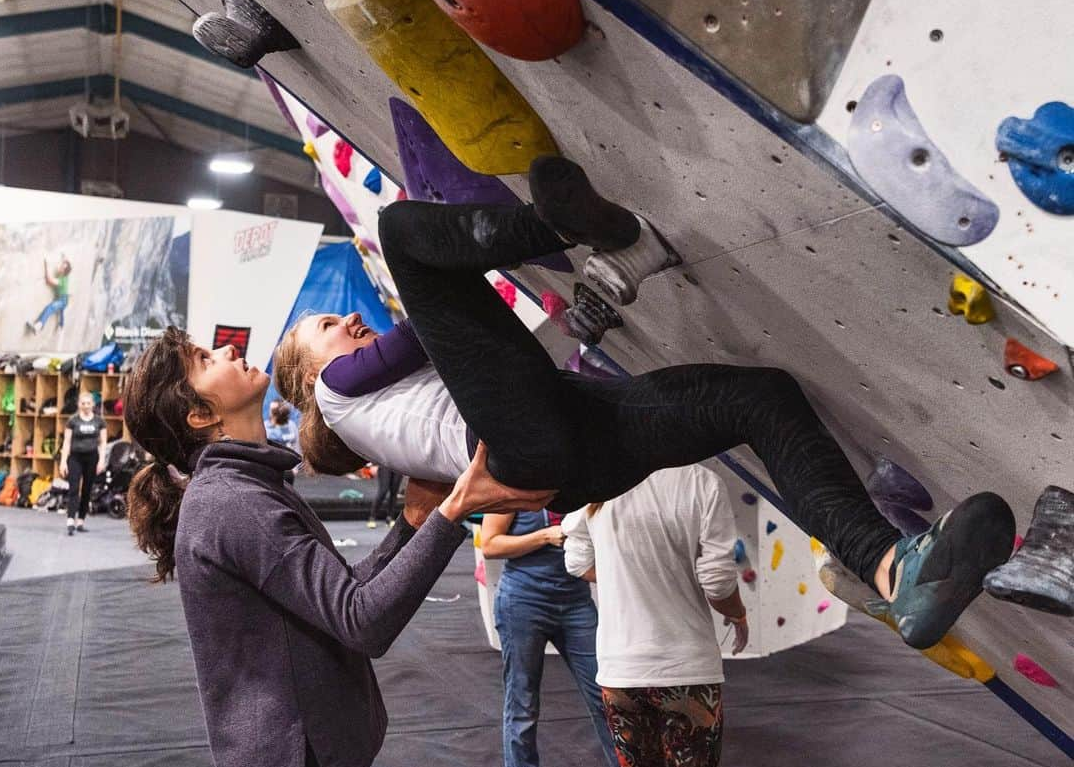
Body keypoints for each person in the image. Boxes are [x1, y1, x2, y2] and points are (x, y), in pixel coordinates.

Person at [272, 155, 1018, 652]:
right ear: (309, 378)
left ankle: (889, 568)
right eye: (327, 329)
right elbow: (421, 328)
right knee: (401, 231)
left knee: (759, 398)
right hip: (529, 440)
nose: (347, 322)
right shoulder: (339, 396)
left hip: (571, 445)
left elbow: (456, 335)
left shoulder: (382, 408)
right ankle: (566, 225)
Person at [122, 328, 554, 767]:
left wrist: (414, 521)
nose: (228, 350)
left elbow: (336, 596)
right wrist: (454, 510)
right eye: (206, 359)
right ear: (199, 415)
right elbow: (362, 620)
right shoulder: (235, 502)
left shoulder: (248, 487)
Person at [562, 464, 745, 767]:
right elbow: (717, 581)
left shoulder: (600, 481)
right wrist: (737, 613)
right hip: (688, 670)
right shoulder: (701, 482)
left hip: (620, 671)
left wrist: (626, 573)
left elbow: (576, 562)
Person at [480, 506, 623, 767]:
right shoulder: (516, 484)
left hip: (575, 601)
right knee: (523, 703)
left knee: (609, 695)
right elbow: (490, 544)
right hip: (524, 601)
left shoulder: (581, 483)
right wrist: (545, 535)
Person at [60, 391, 107, 536]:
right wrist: (63, 462)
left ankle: (80, 520)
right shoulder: (72, 421)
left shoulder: (99, 421)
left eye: (88, 403)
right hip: (75, 457)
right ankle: (70, 520)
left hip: (92, 458)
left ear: (93, 405)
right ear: (79, 404)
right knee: (74, 488)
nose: (86, 406)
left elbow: (103, 443)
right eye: (83, 403)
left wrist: (101, 460)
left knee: (87, 489)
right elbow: (67, 442)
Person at [26, 255, 72, 334]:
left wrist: (46, 265)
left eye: (62, 267)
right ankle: (61, 326)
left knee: (50, 308)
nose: (60, 266)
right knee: (61, 311)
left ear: (63, 271)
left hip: (62, 300)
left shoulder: (61, 281)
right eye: (61, 265)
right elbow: (66, 263)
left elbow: (49, 280)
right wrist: (63, 257)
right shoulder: (65, 276)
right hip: (64, 299)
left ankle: (38, 327)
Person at [367, 464, 403, 528]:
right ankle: (372, 517)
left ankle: (390, 517)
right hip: (385, 464)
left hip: (398, 466)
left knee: (394, 492)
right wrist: (373, 464)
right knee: (383, 491)